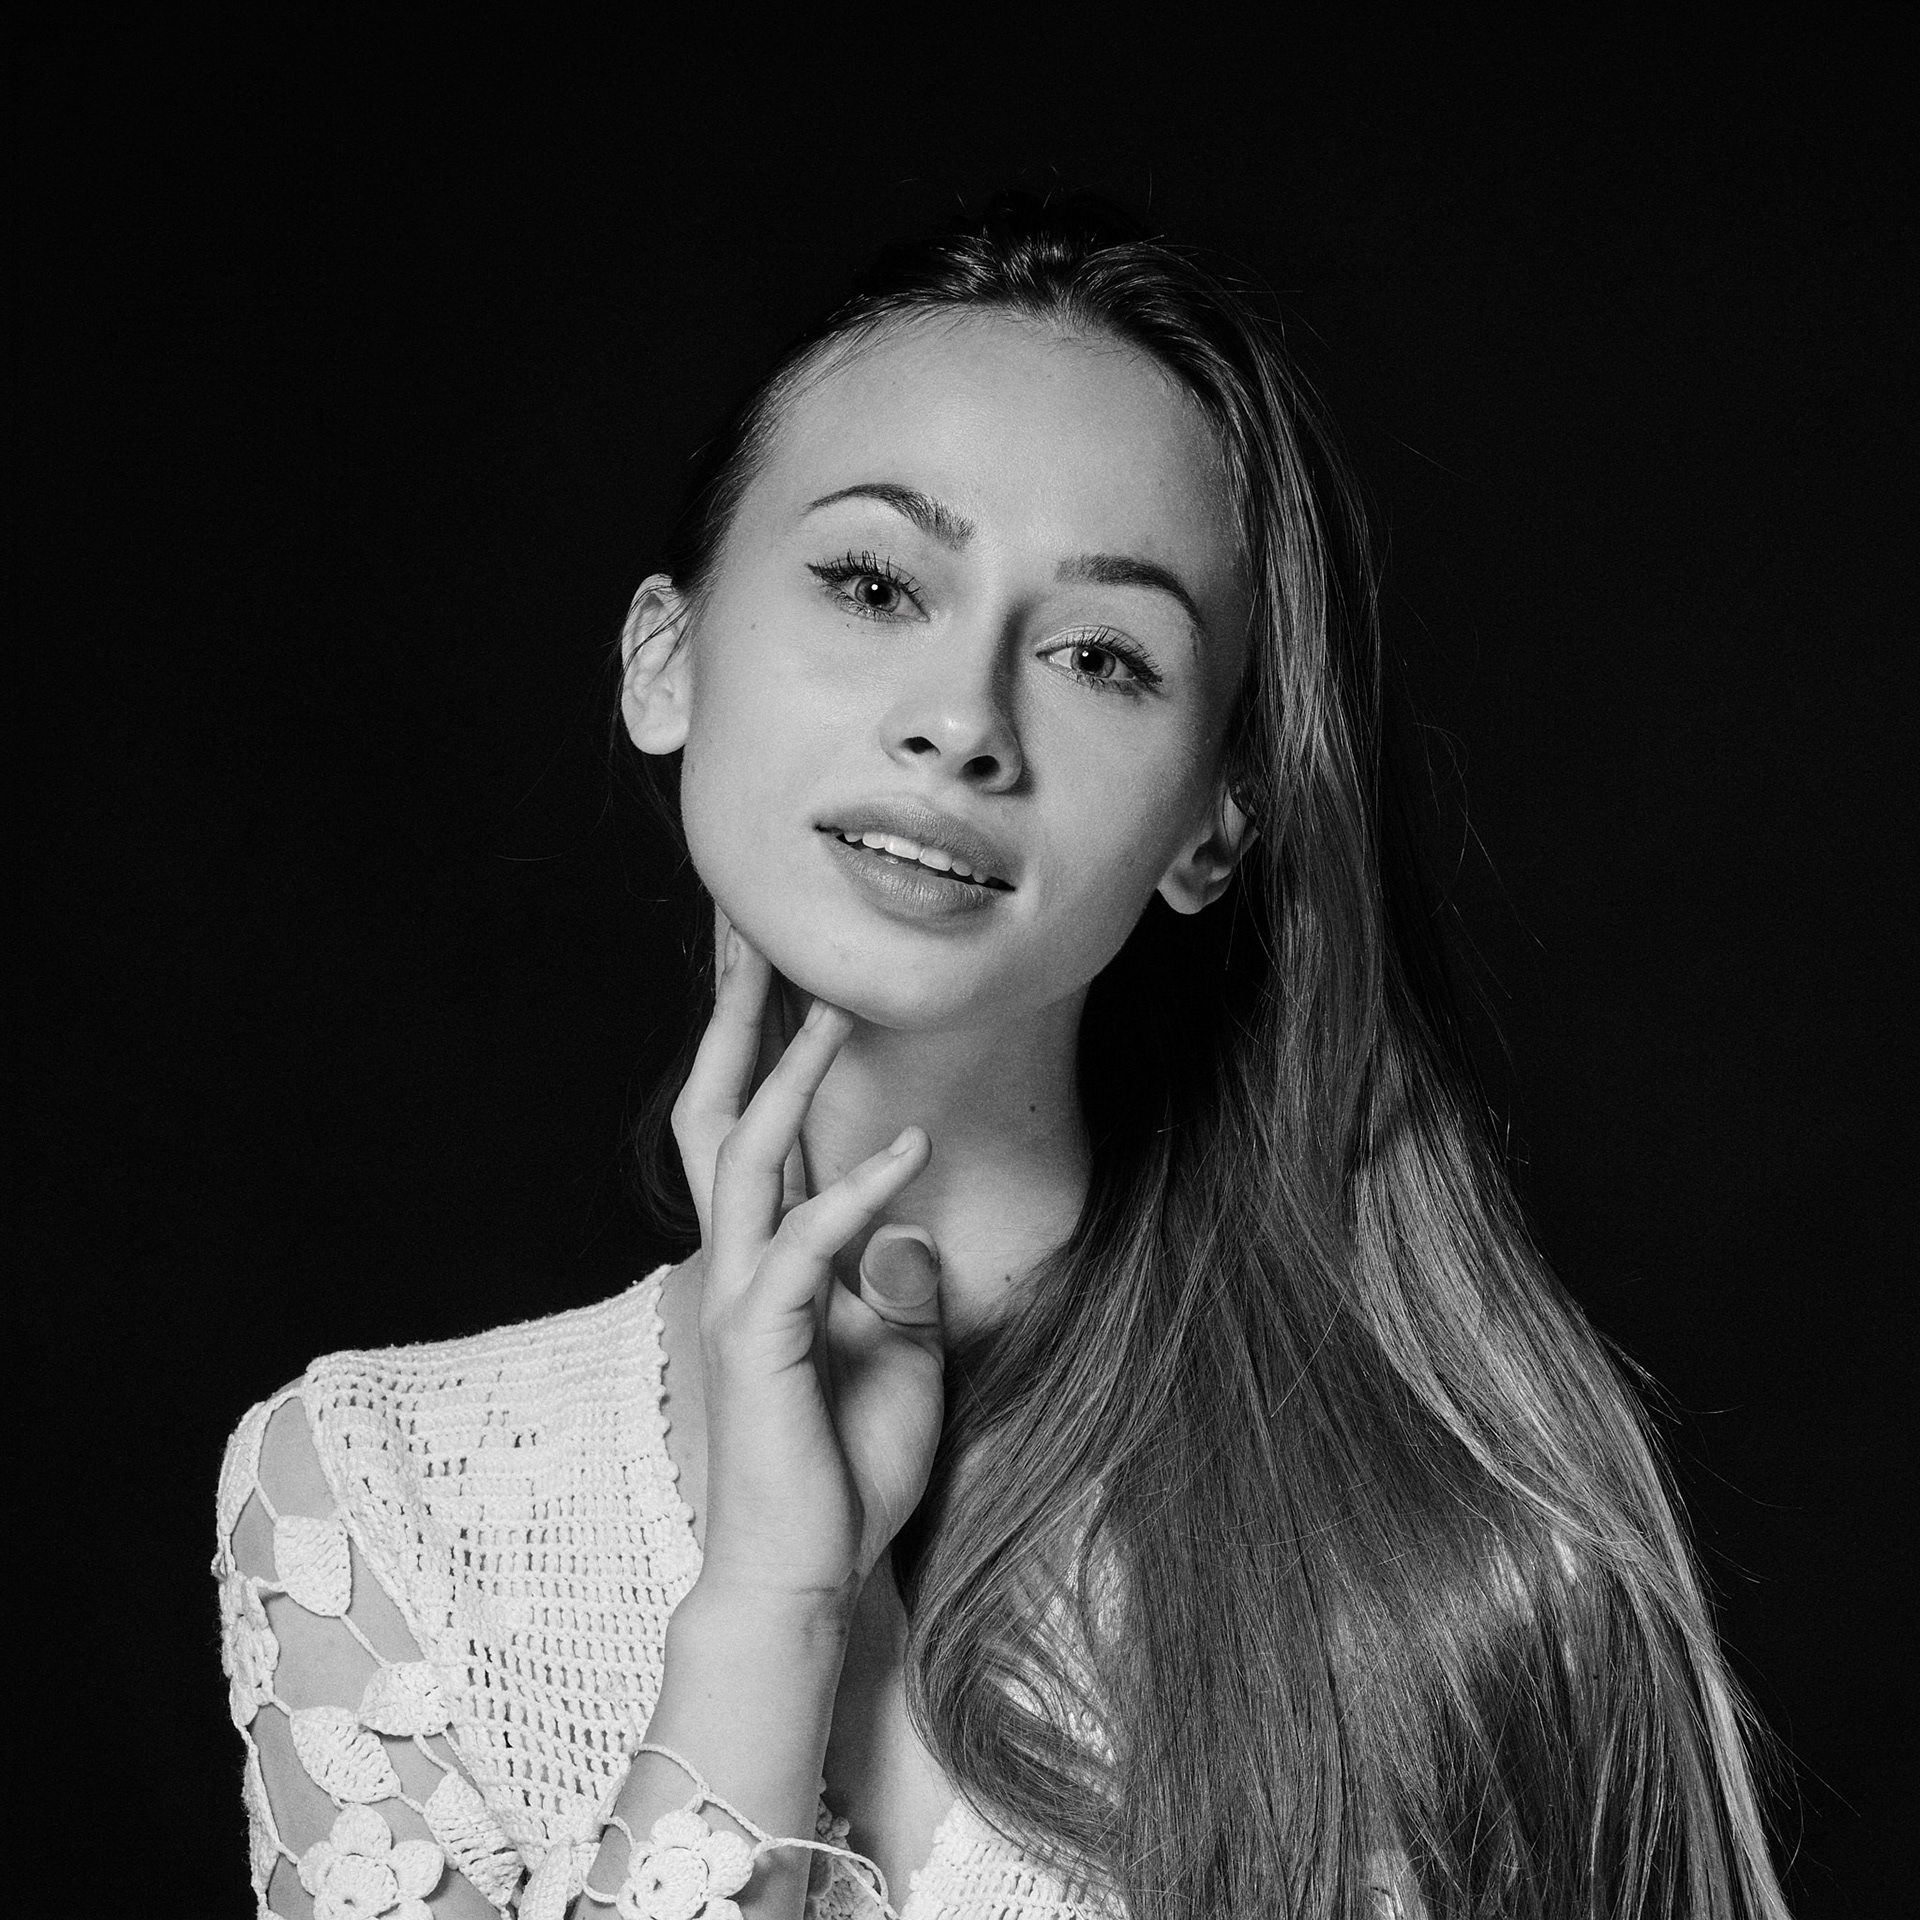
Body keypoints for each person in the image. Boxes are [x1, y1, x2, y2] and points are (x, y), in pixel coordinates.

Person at [213, 193, 1791, 1920]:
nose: (963, 719)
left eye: (1102, 656)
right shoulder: (375, 1495)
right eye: (875, 583)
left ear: (1214, 825)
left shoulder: (1455, 1542)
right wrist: (769, 1606)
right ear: (666, 659)